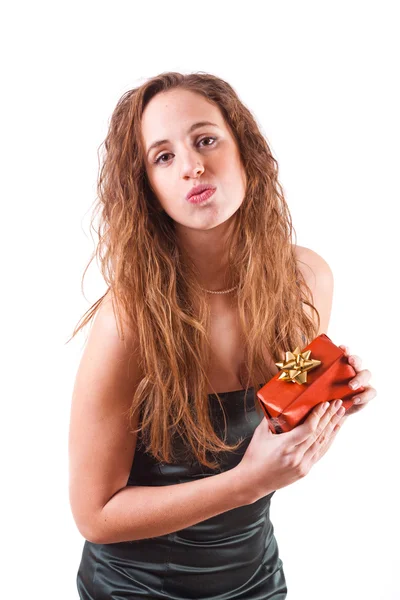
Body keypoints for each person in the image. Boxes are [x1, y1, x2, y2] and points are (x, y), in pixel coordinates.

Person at [68, 71, 376, 599]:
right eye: (163, 157)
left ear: (245, 151)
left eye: (205, 139)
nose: (192, 165)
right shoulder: (130, 321)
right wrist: (247, 483)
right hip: (136, 589)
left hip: (256, 578)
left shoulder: (308, 282)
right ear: (147, 188)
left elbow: (280, 407)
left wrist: (327, 399)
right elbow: (95, 516)